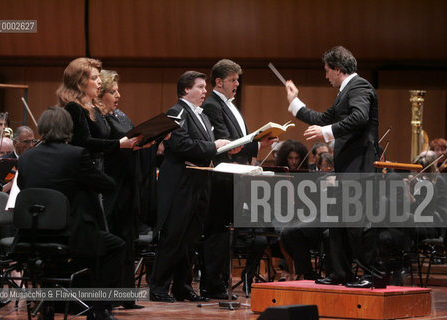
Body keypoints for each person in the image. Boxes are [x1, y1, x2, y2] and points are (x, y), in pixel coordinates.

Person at [285, 45, 382, 288]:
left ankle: (373, 275)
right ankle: (341, 272)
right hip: (348, 166)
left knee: (358, 221)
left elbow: (359, 117)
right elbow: (321, 119)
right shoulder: (344, 92)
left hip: (359, 165)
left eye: (327, 71)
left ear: (338, 69)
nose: (325, 75)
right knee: (338, 222)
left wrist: (326, 132)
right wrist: (294, 101)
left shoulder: (359, 87)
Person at [17, 107, 126, 320]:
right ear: (69, 129)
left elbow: (24, 186)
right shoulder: (76, 154)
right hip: (69, 232)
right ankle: (100, 308)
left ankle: (51, 302)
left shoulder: (26, 157)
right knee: (116, 246)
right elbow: (108, 185)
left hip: (32, 232)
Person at [149, 71, 231, 302]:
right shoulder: (176, 112)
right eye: (200, 87)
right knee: (174, 236)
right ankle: (158, 287)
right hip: (180, 184)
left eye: (205, 87)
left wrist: (216, 148)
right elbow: (181, 143)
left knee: (191, 239)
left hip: (200, 182)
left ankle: (183, 286)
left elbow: (199, 147)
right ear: (186, 89)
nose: (205, 91)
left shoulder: (203, 117)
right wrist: (213, 146)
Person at [200, 59, 276, 298]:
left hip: (236, 175)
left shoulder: (230, 105)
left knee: (226, 231)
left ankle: (220, 282)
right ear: (219, 82)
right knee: (218, 232)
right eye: (233, 80)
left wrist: (257, 144)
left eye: (238, 80)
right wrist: (254, 145)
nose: (237, 84)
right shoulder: (213, 105)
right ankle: (213, 284)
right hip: (223, 176)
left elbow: (239, 141)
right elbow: (225, 143)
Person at [99, 69, 157, 310]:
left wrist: (145, 143)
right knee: (114, 240)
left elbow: (131, 141)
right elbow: (106, 151)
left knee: (127, 241)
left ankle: (126, 295)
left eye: (118, 91)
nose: (118, 95)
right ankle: (109, 296)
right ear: (100, 94)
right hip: (113, 186)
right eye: (113, 92)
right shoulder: (98, 119)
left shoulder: (120, 116)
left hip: (128, 185)